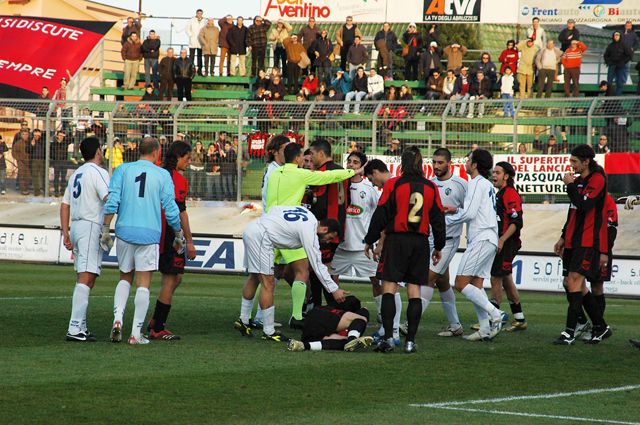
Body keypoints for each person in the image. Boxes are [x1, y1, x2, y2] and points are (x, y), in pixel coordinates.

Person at [265, 142, 358, 326]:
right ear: (298, 158)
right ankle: (298, 316)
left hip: (268, 225)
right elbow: (328, 177)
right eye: (303, 157)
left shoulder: (273, 173)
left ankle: (252, 318)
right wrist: (352, 172)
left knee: (266, 276)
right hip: (289, 228)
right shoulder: (301, 174)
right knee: (302, 271)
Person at [364, 147, 446, 353]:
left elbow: (381, 214)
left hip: (397, 240)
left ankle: (389, 339)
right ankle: (410, 342)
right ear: (420, 163)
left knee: (389, 288)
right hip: (419, 243)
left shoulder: (393, 184)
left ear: (402, 163)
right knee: (414, 290)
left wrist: (369, 239)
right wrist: (439, 246)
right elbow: (438, 219)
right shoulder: (430, 187)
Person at [102, 137, 184, 345]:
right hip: (149, 233)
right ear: (156, 152)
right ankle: (135, 334)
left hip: (124, 231)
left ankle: (118, 319)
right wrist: (178, 233)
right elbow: (171, 208)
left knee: (124, 277)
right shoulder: (163, 174)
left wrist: (105, 228)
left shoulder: (122, 170)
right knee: (144, 283)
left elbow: (113, 200)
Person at [241, 204, 344, 342]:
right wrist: (334, 289)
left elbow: (275, 208)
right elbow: (317, 264)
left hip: (252, 229)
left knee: (254, 278)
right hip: (261, 237)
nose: (328, 241)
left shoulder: (306, 213)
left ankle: (243, 320)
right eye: (330, 237)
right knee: (268, 284)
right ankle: (269, 331)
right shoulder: (309, 230)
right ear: (325, 229)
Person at [442, 149, 505, 341]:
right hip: (488, 238)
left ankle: (496, 313)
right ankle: (485, 329)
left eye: (469, 160)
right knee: (476, 285)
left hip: (482, 238)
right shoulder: (485, 184)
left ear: (475, 164)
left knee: (461, 283)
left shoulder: (476, 183)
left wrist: (444, 221)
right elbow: (474, 210)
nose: (466, 162)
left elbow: (469, 214)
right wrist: (457, 209)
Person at [553, 144, 611, 345]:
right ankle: (600, 326)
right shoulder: (579, 182)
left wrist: (569, 185)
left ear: (586, 161)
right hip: (573, 240)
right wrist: (562, 237)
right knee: (573, 284)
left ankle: (570, 332)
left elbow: (585, 205)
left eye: (575, 161)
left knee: (574, 281)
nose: (572, 165)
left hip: (588, 240)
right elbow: (573, 211)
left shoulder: (597, 179)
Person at [60, 137, 110, 342]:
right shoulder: (99, 172)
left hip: (77, 226)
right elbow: (108, 198)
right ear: (98, 151)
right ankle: (74, 327)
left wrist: (65, 232)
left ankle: (80, 325)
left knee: (85, 275)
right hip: (90, 225)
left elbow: (64, 204)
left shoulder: (77, 173)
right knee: (87, 277)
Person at [147, 142, 197, 340]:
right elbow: (180, 212)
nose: (189, 161)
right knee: (171, 279)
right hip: (169, 233)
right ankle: (157, 327)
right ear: (178, 157)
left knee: (174, 277)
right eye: (188, 158)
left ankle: (155, 320)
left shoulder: (157, 174)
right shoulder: (177, 179)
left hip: (151, 228)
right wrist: (189, 241)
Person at [331, 151, 381, 323]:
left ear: (362, 166)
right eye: (349, 162)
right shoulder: (338, 184)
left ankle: (383, 313)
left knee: (377, 281)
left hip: (363, 248)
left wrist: (378, 241)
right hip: (341, 246)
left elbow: (380, 215)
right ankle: (335, 312)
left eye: (355, 162)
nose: (351, 165)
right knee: (331, 280)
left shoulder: (370, 189)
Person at [490, 161, 527, 332]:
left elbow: (516, 221)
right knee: (506, 279)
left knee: (495, 277)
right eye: (493, 172)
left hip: (507, 243)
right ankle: (519, 318)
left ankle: (493, 319)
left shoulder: (510, 194)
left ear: (506, 176)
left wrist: (502, 240)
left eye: (497, 172)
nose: (494, 175)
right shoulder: (500, 194)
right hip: (504, 242)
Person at [583, 192, 617, 341]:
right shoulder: (585, 196)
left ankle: (598, 327)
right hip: (584, 247)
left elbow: (612, 227)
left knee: (596, 286)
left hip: (600, 249)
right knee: (573, 284)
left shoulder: (607, 199)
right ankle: (584, 323)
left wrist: (605, 251)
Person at [287, 296, 374, 352]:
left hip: (309, 331)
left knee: (344, 343)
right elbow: (361, 313)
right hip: (321, 318)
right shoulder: (351, 316)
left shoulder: (330, 313)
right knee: (360, 319)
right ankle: (352, 340)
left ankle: (303, 346)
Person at [604, 31, 633, 96]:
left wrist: (623, 62)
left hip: (620, 66)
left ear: (620, 36)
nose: (616, 36)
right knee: (609, 82)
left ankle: (617, 98)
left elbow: (630, 55)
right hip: (612, 65)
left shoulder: (624, 45)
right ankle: (608, 97)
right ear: (613, 37)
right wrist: (608, 62)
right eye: (615, 35)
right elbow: (606, 55)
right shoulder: (610, 45)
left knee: (619, 83)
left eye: (618, 35)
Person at [187, 9, 207, 76]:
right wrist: (191, 35)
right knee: (191, 57)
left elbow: (206, 30)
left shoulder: (205, 21)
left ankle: (199, 71)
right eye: (198, 13)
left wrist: (204, 38)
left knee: (200, 57)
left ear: (202, 14)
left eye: (201, 13)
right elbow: (187, 29)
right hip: (193, 41)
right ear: (196, 13)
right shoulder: (192, 20)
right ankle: (191, 71)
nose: (199, 14)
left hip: (200, 42)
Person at [13, 128, 31, 195]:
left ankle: (26, 188)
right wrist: (19, 159)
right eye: (23, 134)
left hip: (29, 162)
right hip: (21, 162)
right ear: (21, 135)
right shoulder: (18, 143)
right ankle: (23, 190)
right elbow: (14, 152)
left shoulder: (30, 142)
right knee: (22, 175)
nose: (25, 136)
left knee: (28, 176)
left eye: (26, 134)